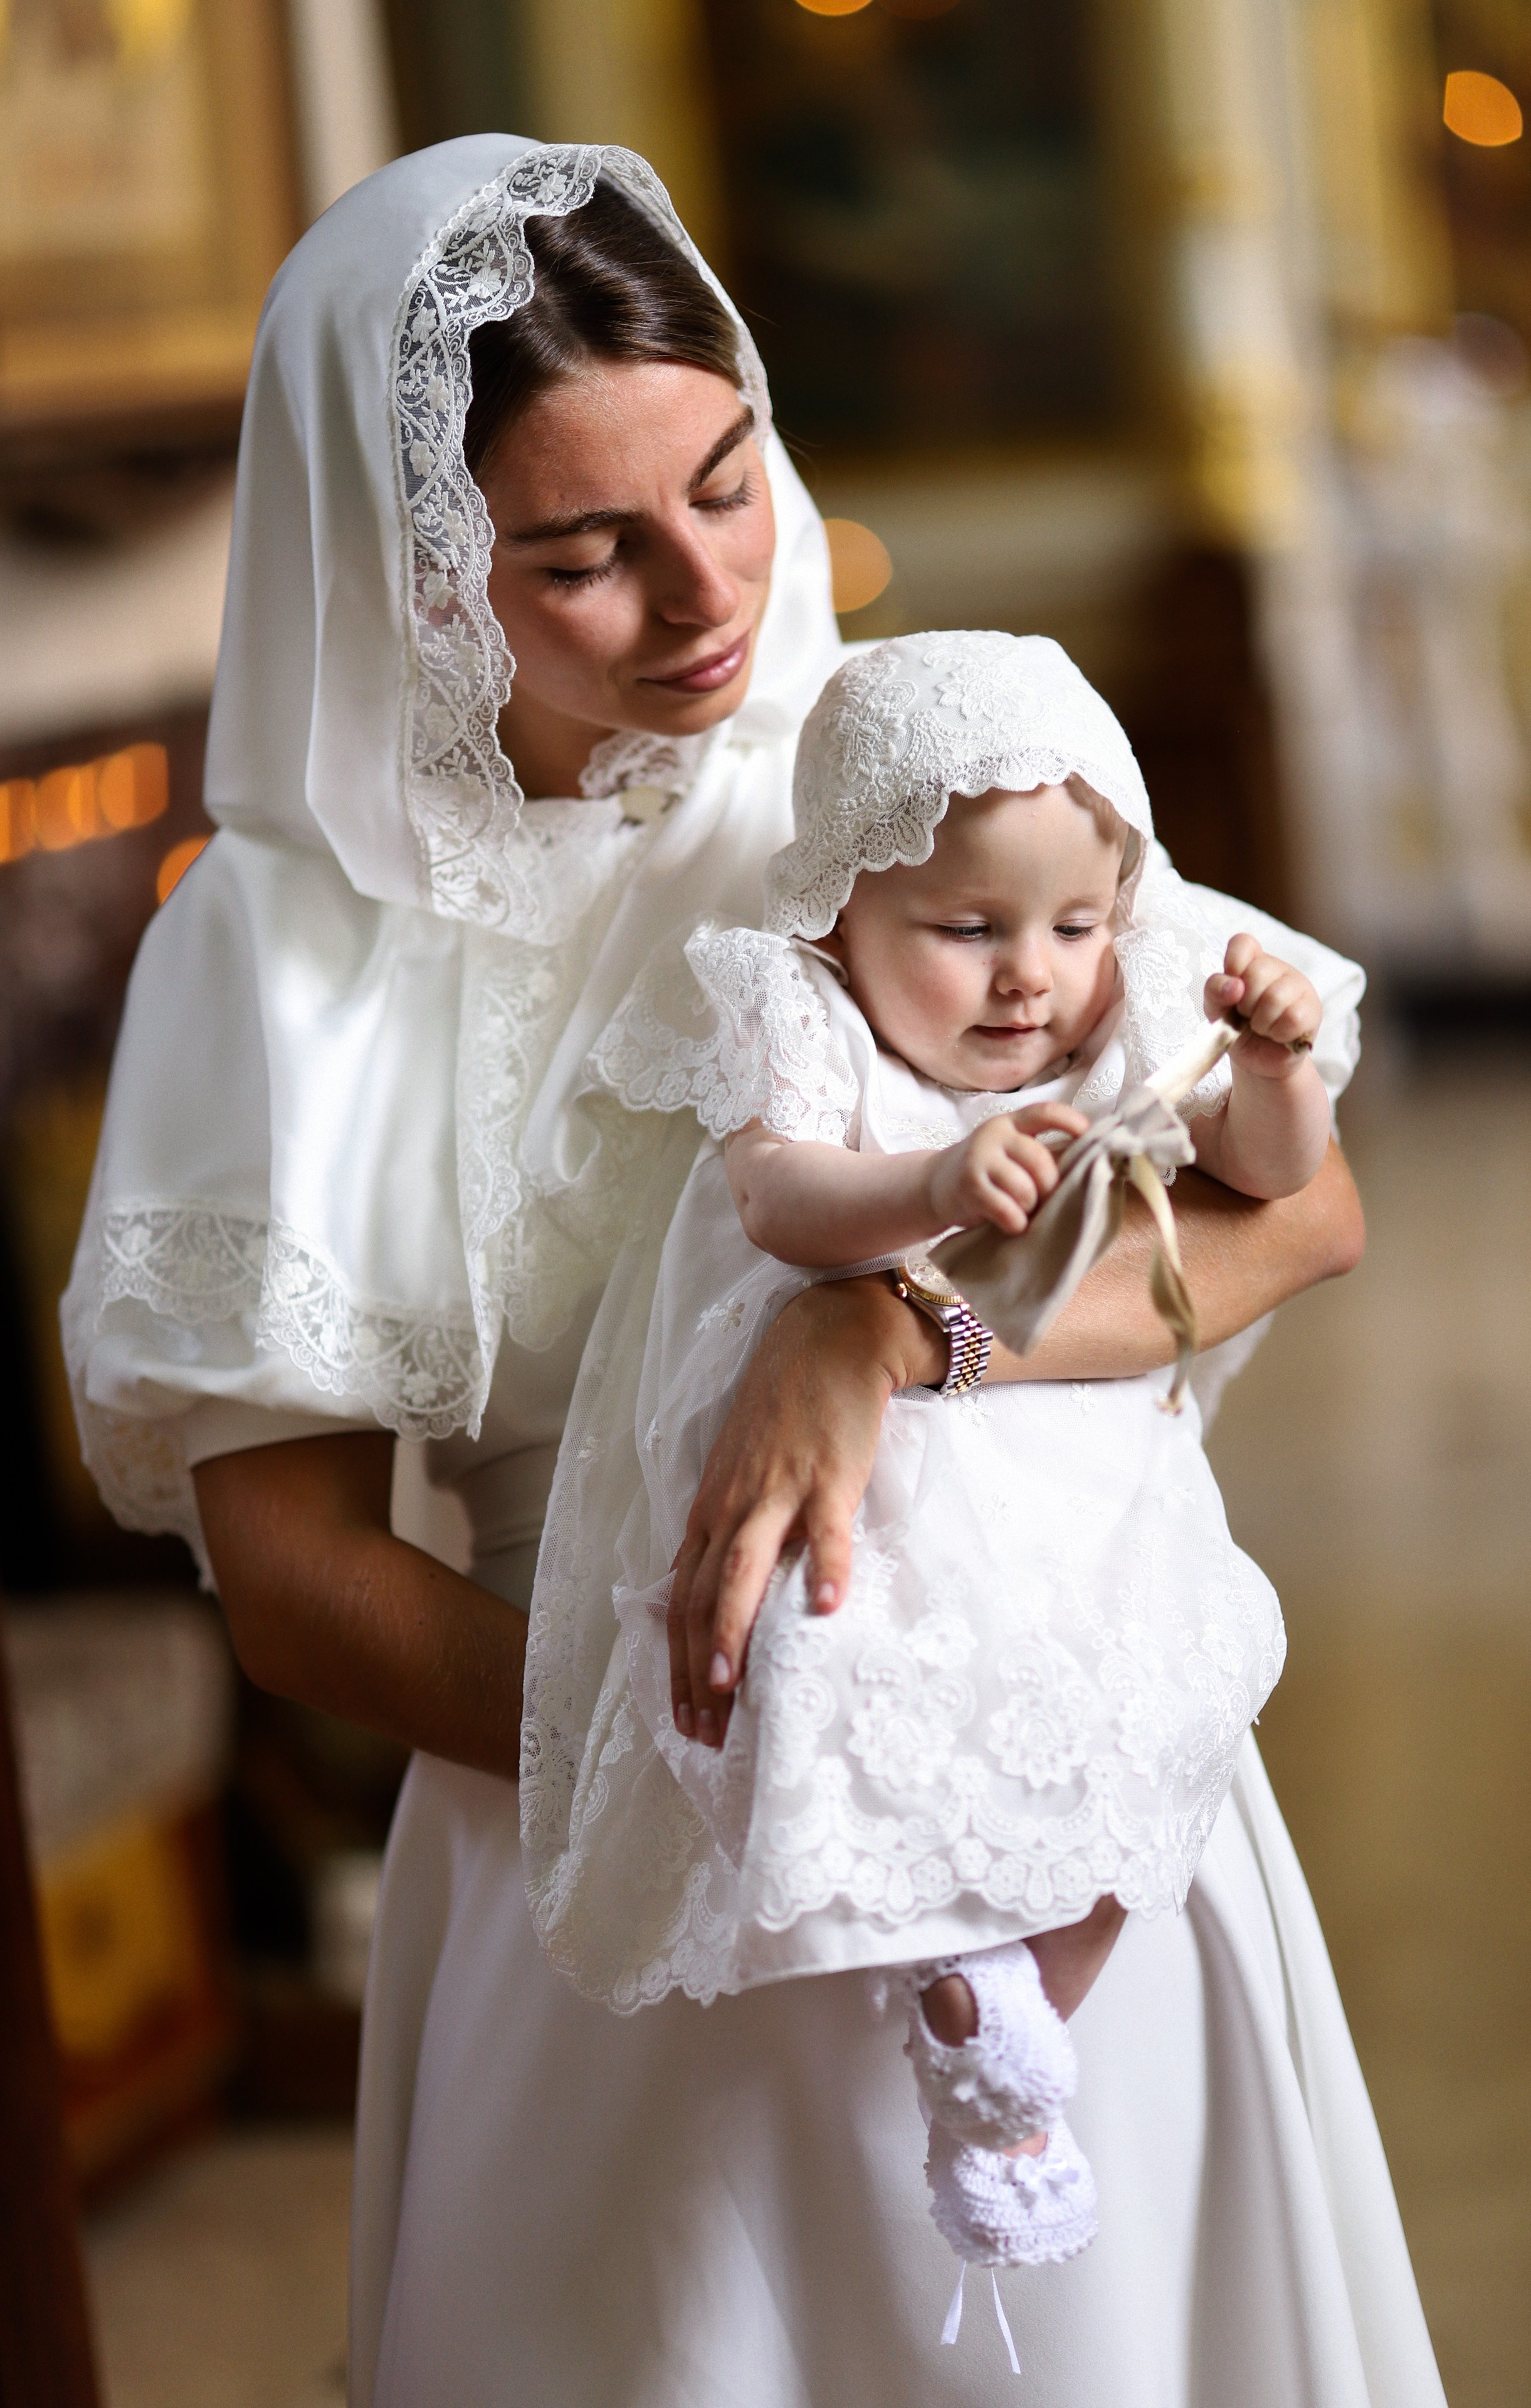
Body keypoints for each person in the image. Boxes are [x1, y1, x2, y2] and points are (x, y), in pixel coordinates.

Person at [61, 138, 1446, 2405]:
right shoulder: (273, 949)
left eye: (730, 477)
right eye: (583, 555)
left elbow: (1296, 1211)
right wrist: (741, 1795)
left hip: (1046, 1777)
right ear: (420, 573)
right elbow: (291, 1572)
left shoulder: (903, 774)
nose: (704, 591)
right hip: (597, 1831)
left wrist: (889, 1332)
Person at [520, 628, 1337, 2285]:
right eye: (966, 931)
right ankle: (939, 1970)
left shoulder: (1122, 1005)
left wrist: (1272, 1065)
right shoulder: (799, 1008)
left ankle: (1008, 2026)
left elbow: (1277, 1176)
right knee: (844, 1666)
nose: (1028, 976)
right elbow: (779, 1197)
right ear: (841, 911)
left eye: (1072, 924)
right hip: (862, 1464)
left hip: (1069, 1451)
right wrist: (936, 1188)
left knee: (1161, 1683)